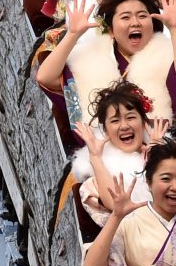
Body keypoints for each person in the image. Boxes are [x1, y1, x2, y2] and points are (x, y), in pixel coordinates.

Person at [35, 0, 176, 130]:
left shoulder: (169, 54)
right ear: (111, 30)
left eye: (142, 16)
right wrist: (72, 34)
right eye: (125, 17)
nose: (135, 23)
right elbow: (45, 78)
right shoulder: (90, 59)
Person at [72, 81, 169, 226]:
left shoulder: (160, 150)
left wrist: (158, 154)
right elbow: (114, 204)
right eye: (115, 120)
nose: (124, 126)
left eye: (130, 117)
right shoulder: (98, 167)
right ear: (105, 130)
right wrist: (95, 156)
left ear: (143, 122)